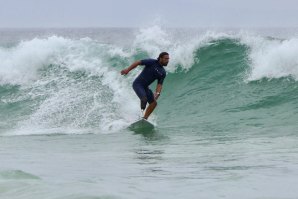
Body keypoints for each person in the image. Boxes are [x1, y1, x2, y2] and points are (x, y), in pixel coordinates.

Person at [121, 52, 169, 120]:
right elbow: (138, 62)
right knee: (144, 99)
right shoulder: (152, 62)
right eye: (166, 58)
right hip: (138, 84)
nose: (167, 60)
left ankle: (145, 118)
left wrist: (157, 93)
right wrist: (127, 70)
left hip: (145, 87)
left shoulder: (163, 72)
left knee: (154, 104)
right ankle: (140, 116)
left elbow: (159, 84)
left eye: (168, 59)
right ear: (160, 58)